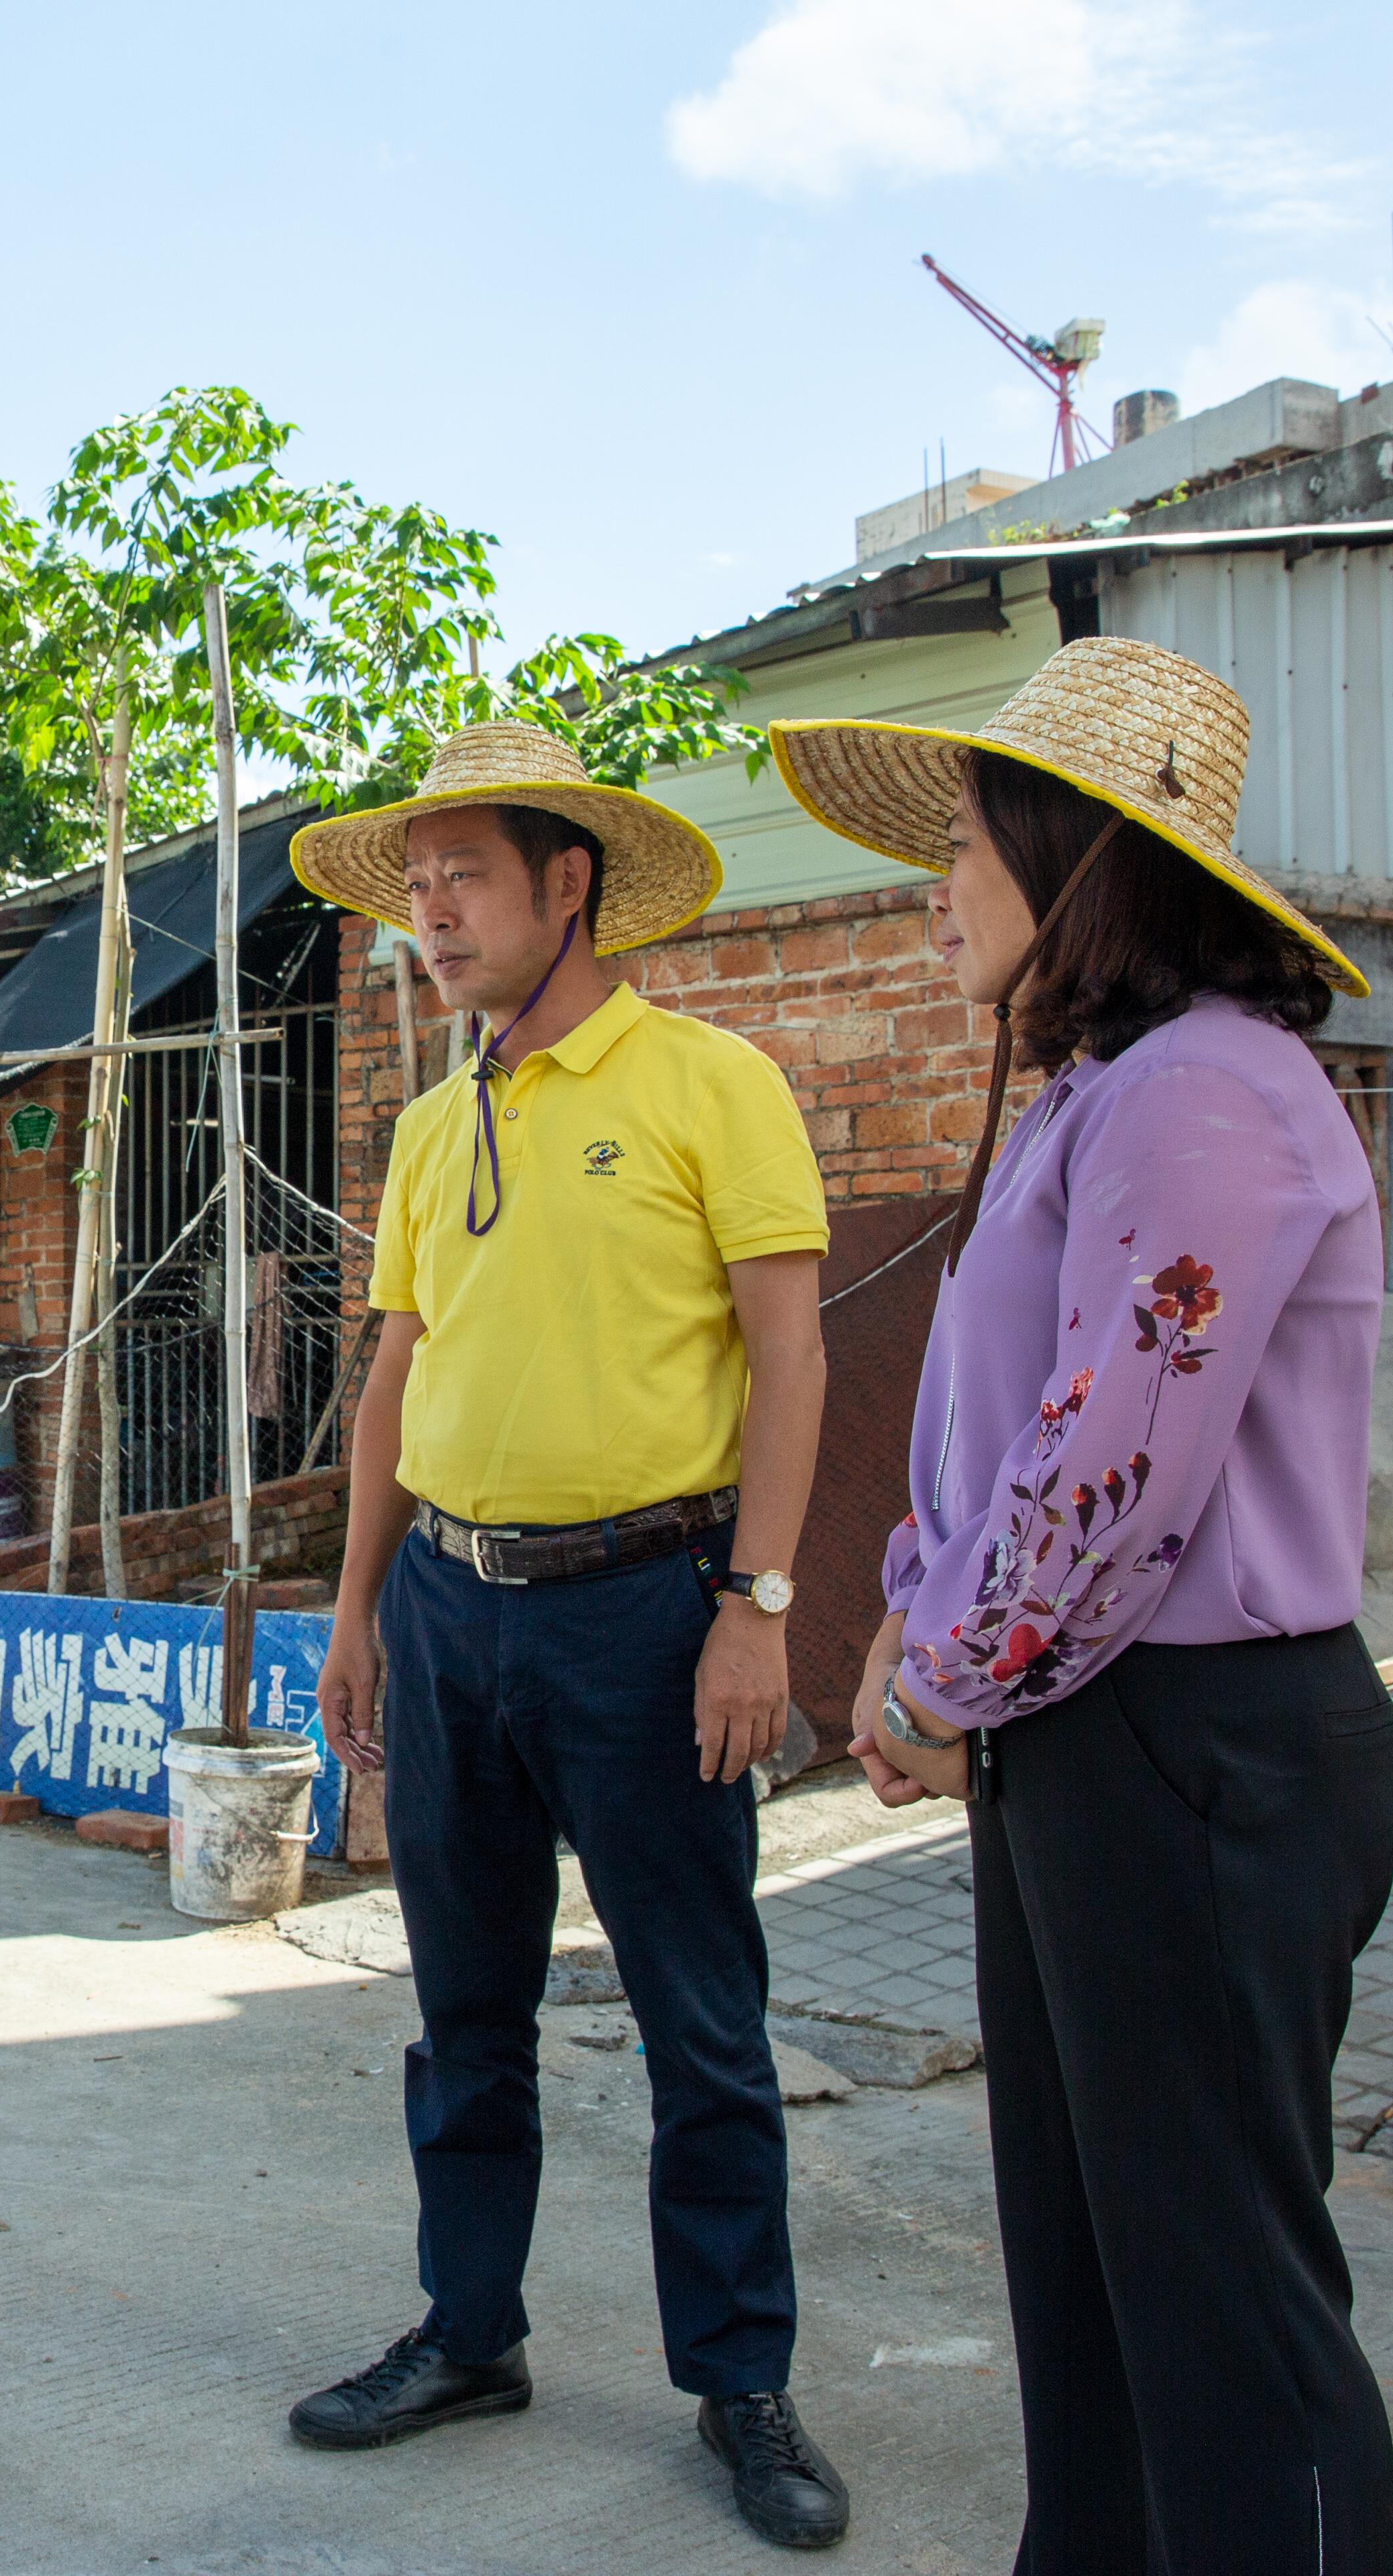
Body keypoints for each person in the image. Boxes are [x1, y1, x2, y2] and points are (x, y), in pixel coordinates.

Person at [772, 635, 1393, 2575]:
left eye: (964, 846)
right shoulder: (1102, 1090)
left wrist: (942, 1679)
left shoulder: (1208, 1090)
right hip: (1096, 1734)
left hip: (1198, 1750)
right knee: (1093, 2266)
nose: (932, 886)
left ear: (1084, 862)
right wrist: (913, 1629)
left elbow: (1115, 1477)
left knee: (1220, 2307)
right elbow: (1007, 1450)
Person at [288, 720, 850, 2553]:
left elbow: (792, 1357)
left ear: (569, 885)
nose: (429, 918)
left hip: (645, 1612)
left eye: (463, 879)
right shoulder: (438, 1120)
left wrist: (758, 1610)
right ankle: (469, 2333)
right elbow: (395, 1376)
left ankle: (743, 2382)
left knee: (701, 2019)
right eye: (414, 887)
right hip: (450, 1611)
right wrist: (359, 1607)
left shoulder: (709, 1085)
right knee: (464, 2012)